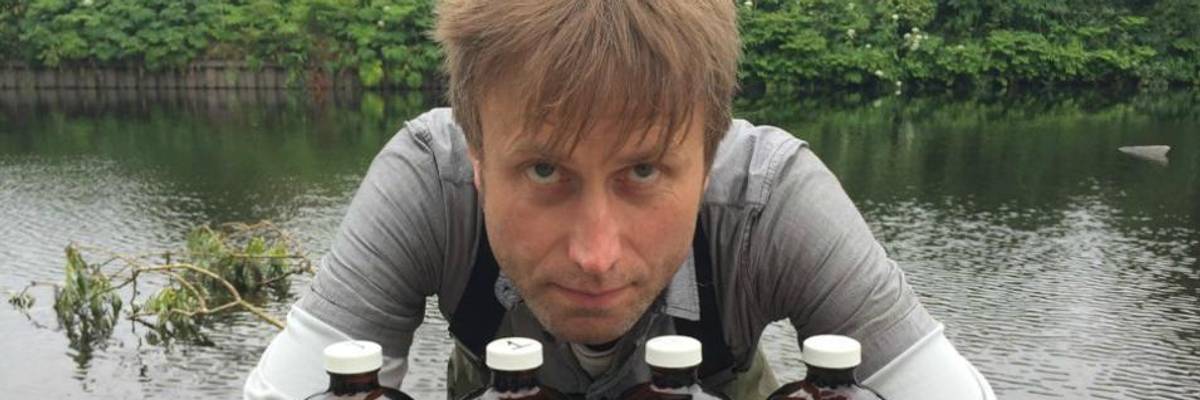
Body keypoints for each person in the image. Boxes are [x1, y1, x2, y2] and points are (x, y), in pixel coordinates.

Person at [244, 1, 995, 399]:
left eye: (642, 172)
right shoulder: (424, 182)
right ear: (475, 158)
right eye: (544, 172)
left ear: (709, 158)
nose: (595, 256)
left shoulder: (772, 201)